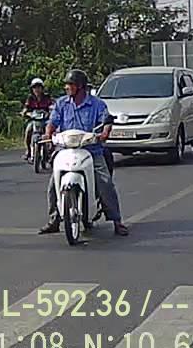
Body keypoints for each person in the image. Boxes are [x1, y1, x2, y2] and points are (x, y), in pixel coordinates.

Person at [39, 69, 128, 237]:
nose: (67, 87)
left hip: (91, 150)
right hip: (66, 150)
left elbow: (106, 120)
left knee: (105, 182)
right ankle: (54, 219)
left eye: (70, 84)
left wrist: (105, 132)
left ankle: (117, 221)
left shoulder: (97, 104)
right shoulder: (61, 103)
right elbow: (52, 122)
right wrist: (48, 134)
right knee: (52, 185)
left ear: (80, 86)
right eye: (67, 84)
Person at [24, 78, 54, 162]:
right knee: (28, 131)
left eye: (38, 87)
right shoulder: (30, 98)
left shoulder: (47, 97)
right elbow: (26, 108)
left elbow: (52, 105)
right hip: (34, 120)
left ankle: (51, 151)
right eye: (34, 87)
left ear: (42, 88)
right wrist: (25, 113)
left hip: (46, 120)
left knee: (51, 131)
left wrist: (50, 111)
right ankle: (28, 151)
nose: (37, 89)